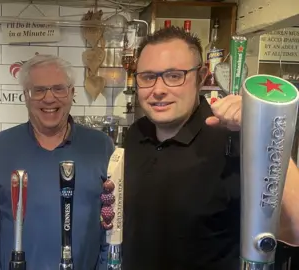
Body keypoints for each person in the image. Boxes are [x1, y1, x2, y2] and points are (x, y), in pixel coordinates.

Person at [122, 26, 299, 270]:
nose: (159, 89)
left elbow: (296, 229)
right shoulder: (135, 135)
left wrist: (264, 131)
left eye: (174, 76)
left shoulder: (234, 138)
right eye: (148, 77)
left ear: (201, 76)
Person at [0, 54, 114, 270]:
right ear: (25, 96)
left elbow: (110, 225)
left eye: (59, 88)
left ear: (71, 93)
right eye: (38, 90)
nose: (49, 99)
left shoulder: (101, 147)